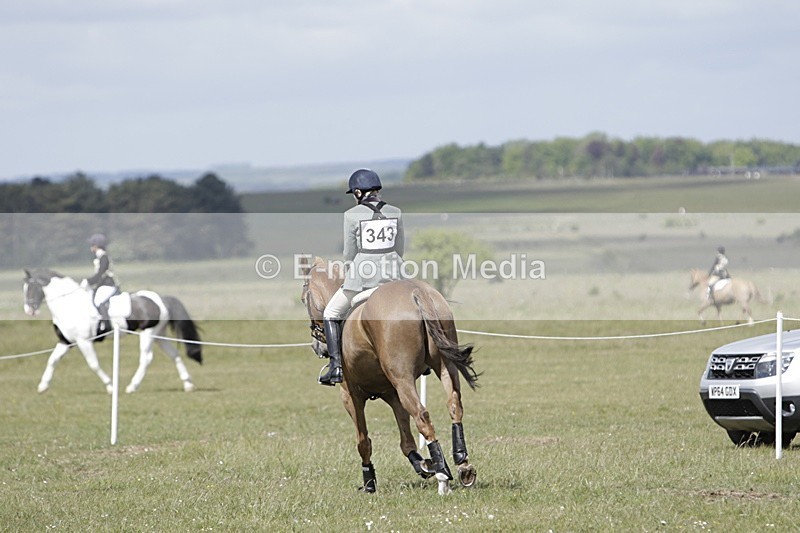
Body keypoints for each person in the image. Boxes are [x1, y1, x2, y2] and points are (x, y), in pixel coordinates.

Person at [318, 169, 405, 386]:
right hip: (396, 276)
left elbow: (349, 253)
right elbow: (400, 248)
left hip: (362, 279)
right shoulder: (396, 212)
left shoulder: (351, 215)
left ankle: (336, 367)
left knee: (331, 312)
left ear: (358, 192)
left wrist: (352, 272)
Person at [80, 233, 119, 335]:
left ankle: (106, 325)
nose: (91, 246)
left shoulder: (104, 257)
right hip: (103, 285)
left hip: (108, 284)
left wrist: (88, 281)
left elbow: (100, 274)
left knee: (98, 301)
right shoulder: (100, 257)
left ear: (96, 246)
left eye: (92, 244)